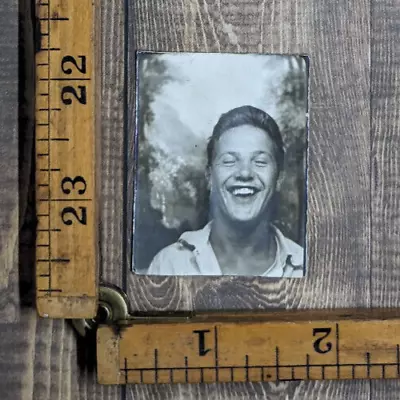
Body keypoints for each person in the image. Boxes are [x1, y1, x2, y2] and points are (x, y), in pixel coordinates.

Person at [147, 105, 304, 277]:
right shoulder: (169, 265)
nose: (245, 173)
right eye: (229, 161)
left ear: (279, 178)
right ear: (209, 177)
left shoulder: (303, 268)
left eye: (259, 161)